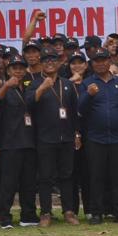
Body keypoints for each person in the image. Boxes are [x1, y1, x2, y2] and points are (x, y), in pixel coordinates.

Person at [78, 48, 118, 224]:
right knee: (96, 176)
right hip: (95, 137)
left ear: (110, 61)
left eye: (103, 60)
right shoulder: (87, 83)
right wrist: (88, 95)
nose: (100, 63)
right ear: (91, 64)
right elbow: (80, 109)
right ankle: (96, 213)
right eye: (96, 61)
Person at [32, 47, 81, 226]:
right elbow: (30, 104)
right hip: (45, 138)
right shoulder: (35, 83)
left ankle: (68, 211)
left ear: (59, 63)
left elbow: (74, 112)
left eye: (53, 60)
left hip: (66, 137)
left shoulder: (67, 84)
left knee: (67, 175)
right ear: (41, 64)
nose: (50, 63)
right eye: (46, 60)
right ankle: (45, 212)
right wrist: (42, 88)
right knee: (45, 177)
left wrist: (76, 133)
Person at [0, 56, 38, 228]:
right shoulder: (4, 86)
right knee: (8, 183)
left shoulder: (29, 87)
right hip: (10, 143)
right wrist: (6, 85)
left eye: (21, 68)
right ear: (8, 70)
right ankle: (4, 217)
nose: (18, 71)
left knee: (28, 182)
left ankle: (28, 216)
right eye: (14, 68)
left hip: (29, 141)